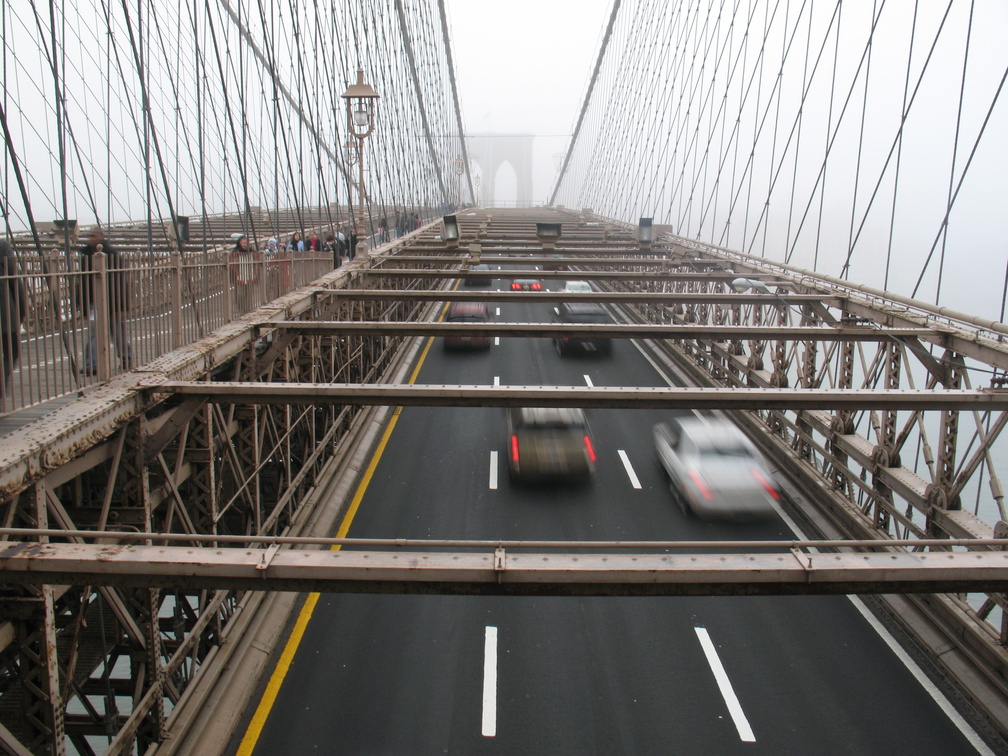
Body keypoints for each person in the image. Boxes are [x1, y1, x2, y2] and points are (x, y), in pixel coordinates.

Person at [77, 228, 133, 375]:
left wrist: (121, 305)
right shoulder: (85, 255)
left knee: (117, 332)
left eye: (94, 236)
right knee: (94, 332)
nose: (91, 238)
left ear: (101, 237)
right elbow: (81, 282)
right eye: (90, 236)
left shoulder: (112, 255)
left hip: (111, 301)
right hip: (93, 301)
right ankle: (92, 364)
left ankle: (126, 357)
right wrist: (82, 306)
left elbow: (120, 281)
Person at [0, 240, 27, 398]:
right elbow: (14, 279)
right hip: (4, 312)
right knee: (12, 351)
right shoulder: (2, 246)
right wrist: (22, 309)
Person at [229, 235, 260, 313]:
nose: (245, 244)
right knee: (240, 295)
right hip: (239, 277)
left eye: (246, 242)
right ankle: (241, 308)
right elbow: (232, 265)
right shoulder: (235, 253)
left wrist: (256, 274)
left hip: (250, 277)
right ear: (239, 243)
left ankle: (247, 310)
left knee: (248, 296)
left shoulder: (253, 252)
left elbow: (258, 262)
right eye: (243, 242)